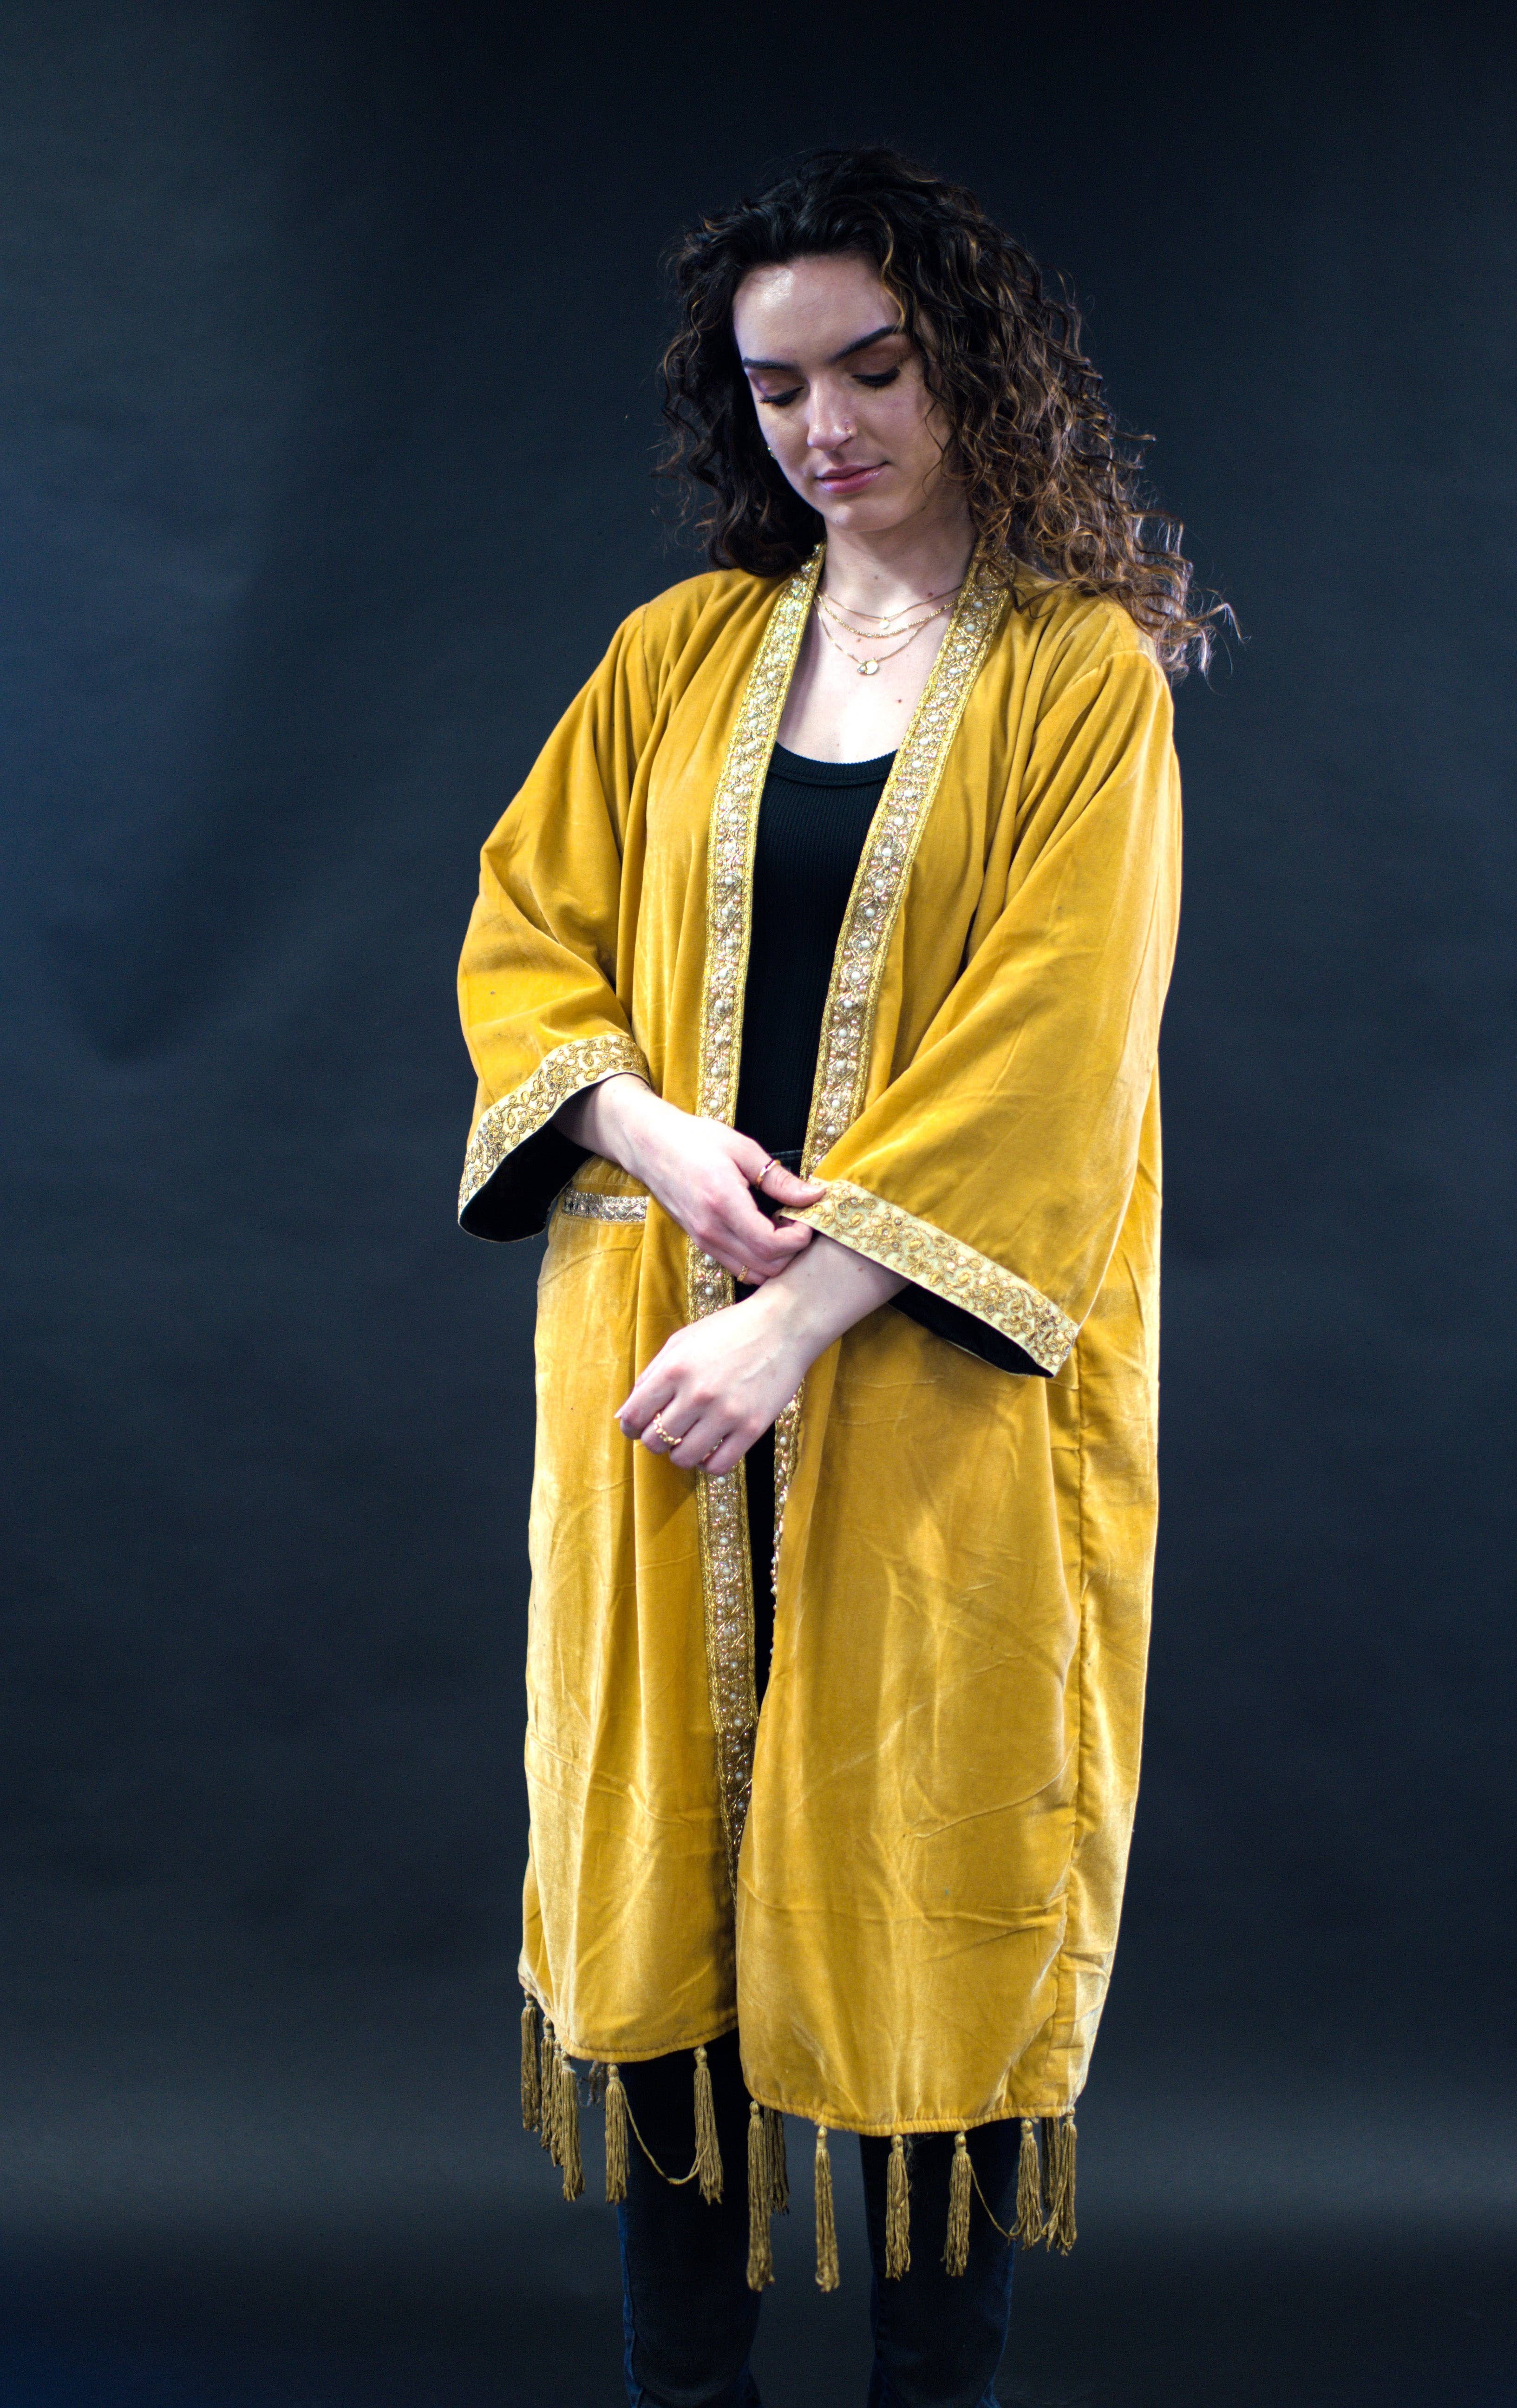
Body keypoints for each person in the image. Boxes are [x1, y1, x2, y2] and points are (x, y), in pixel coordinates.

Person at [456, 145, 1214, 2408]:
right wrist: (642, 1129)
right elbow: (528, 934)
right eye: (776, 385)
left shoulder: (1079, 682)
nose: (824, 426)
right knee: (666, 1889)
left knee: (928, 1850)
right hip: (656, 1356)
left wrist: (798, 1315)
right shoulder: (679, 654)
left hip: (926, 1384)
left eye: (870, 369)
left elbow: (1060, 1040)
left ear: (965, 363)